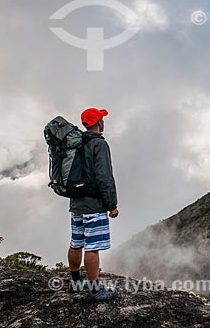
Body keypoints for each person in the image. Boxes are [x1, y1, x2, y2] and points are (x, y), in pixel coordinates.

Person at [68, 108, 119, 301]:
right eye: (102, 118)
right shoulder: (99, 144)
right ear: (98, 123)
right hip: (94, 205)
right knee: (92, 247)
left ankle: (75, 282)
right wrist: (111, 204)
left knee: (76, 242)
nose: (104, 121)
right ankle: (95, 290)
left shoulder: (76, 143)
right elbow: (104, 177)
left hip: (76, 202)